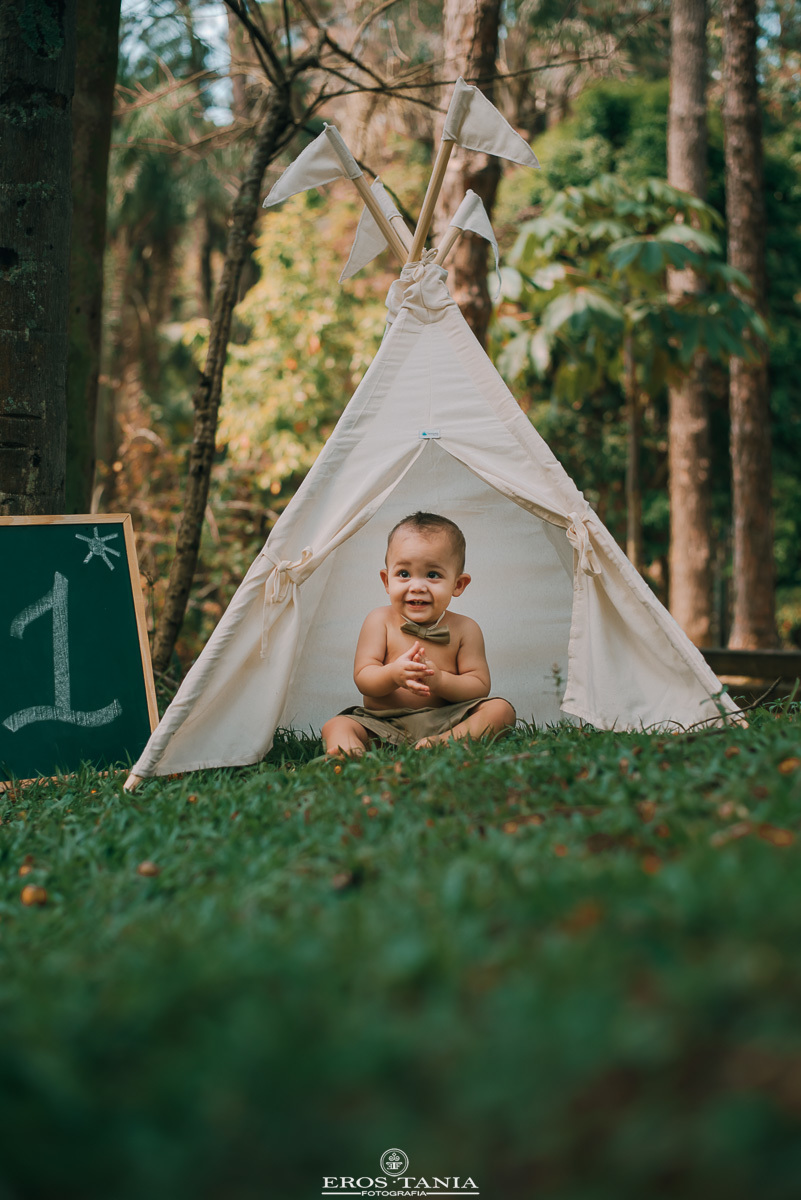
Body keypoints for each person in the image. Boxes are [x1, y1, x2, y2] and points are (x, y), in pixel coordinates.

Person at [321, 511, 516, 756]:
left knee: (501, 710)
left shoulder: (466, 629)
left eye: (433, 575)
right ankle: (349, 752)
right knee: (337, 724)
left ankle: (446, 741)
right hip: (384, 723)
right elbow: (363, 678)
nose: (417, 586)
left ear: (458, 584)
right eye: (404, 574)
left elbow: (479, 686)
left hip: (448, 720)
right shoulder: (379, 621)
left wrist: (440, 680)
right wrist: (393, 674)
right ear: (386, 580)